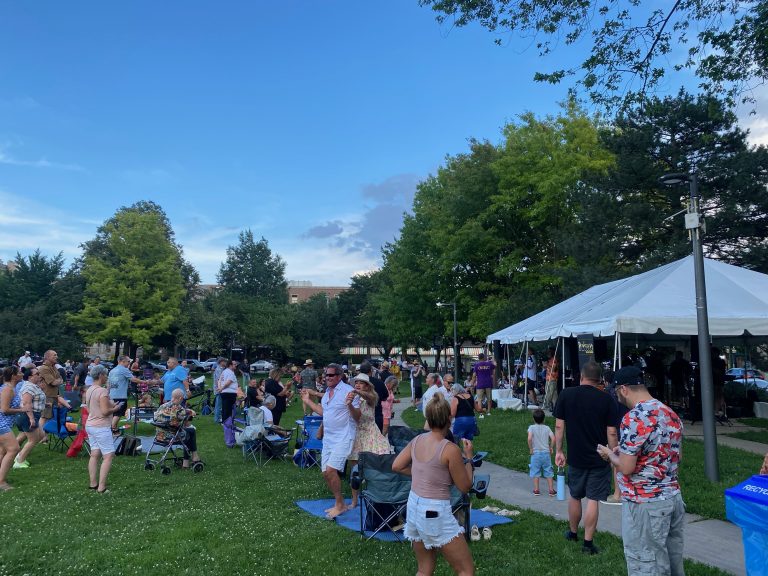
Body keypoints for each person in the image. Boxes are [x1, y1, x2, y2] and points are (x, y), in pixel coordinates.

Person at [597, 366, 685, 576]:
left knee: (646, 564)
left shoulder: (634, 417)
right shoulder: (670, 413)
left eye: (616, 391)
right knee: (672, 563)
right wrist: (625, 451)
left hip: (644, 503)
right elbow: (675, 455)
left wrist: (610, 455)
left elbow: (627, 467)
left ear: (624, 389)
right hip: (672, 498)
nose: (617, 396)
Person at [392, 395, 475, 576]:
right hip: (435, 510)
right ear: (449, 419)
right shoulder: (450, 449)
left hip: (414, 506)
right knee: (465, 570)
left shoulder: (417, 440)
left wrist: (421, 474)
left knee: (424, 569)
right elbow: (465, 486)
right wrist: (469, 458)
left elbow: (397, 465)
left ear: (428, 419)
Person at [555, 360, 619, 554]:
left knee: (575, 495)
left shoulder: (566, 395)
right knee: (593, 499)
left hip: (575, 456)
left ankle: (573, 533)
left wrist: (559, 451)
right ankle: (588, 543)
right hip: (599, 457)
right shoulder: (607, 399)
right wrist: (613, 453)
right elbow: (612, 432)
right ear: (600, 380)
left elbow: (559, 426)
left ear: (581, 377)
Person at [300, 363, 358, 519]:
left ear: (339, 376)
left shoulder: (348, 392)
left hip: (344, 437)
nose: (327, 378)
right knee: (326, 472)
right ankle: (339, 503)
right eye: (326, 375)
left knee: (331, 470)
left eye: (331, 375)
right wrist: (307, 400)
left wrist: (351, 404)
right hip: (329, 438)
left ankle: (340, 505)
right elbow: (323, 412)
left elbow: (358, 417)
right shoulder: (327, 393)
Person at [346, 373, 392, 508]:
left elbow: (369, 397)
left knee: (376, 467)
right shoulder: (355, 399)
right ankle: (354, 501)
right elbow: (356, 417)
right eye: (356, 383)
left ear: (367, 385)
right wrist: (349, 405)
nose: (357, 385)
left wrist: (357, 392)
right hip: (358, 434)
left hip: (372, 434)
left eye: (360, 382)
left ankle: (377, 497)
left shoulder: (372, 396)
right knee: (355, 470)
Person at [85, 365, 123, 493]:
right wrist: (115, 409)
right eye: (106, 374)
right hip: (101, 427)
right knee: (108, 456)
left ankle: (93, 484)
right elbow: (105, 411)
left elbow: (91, 407)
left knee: (95, 454)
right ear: (101, 375)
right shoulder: (102, 392)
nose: (107, 377)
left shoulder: (90, 389)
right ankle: (101, 487)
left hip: (90, 425)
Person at [154, 388, 202, 469]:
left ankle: (189, 460)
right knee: (191, 431)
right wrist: (191, 413)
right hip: (171, 437)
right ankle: (192, 458)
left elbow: (155, 419)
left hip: (159, 436)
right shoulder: (179, 409)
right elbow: (187, 423)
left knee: (188, 431)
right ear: (180, 398)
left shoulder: (162, 406)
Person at [13, 367, 47, 469]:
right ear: (30, 377)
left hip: (30, 415)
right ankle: (19, 461)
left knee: (35, 435)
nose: (39, 375)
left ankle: (12, 453)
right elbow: (26, 403)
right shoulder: (29, 387)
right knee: (33, 439)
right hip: (28, 415)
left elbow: (34, 400)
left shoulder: (33, 386)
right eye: (37, 374)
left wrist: (46, 404)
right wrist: (31, 419)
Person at [0, 366, 25, 491]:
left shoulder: (11, 388)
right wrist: (22, 410)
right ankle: (1, 482)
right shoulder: (7, 389)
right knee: (14, 448)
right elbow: (4, 409)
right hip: (1, 424)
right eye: (19, 372)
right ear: (14, 376)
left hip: (4, 424)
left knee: (3, 451)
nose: (22, 374)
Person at [108, 355, 144, 433]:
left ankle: (111, 429)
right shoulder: (124, 370)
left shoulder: (112, 371)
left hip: (112, 395)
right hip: (120, 395)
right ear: (122, 361)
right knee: (118, 413)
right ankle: (113, 429)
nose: (129, 363)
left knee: (113, 413)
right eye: (128, 361)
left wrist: (107, 394)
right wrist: (144, 382)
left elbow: (109, 384)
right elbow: (133, 379)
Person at [38, 350, 71, 431]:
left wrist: (58, 381)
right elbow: (53, 382)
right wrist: (58, 381)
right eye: (54, 355)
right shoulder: (44, 368)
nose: (57, 357)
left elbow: (60, 379)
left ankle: (43, 436)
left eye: (56, 355)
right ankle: (39, 435)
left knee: (50, 416)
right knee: (44, 417)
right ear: (47, 357)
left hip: (54, 396)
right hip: (47, 396)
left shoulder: (53, 367)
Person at [528, 408, 556, 497]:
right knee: (548, 471)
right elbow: (553, 438)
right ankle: (551, 490)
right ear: (544, 419)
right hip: (546, 453)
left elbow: (529, 438)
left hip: (535, 454)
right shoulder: (547, 428)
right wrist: (551, 447)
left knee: (536, 471)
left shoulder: (531, 428)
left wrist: (531, 448)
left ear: (533, 419)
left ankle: (536, 490)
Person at [358, 361, 388, 433]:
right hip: (376, 415)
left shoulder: (356, 383)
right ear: (371, 371)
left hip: (361, 416)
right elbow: (385, 396)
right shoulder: (379, 382)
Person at [216, 359, 239, 448]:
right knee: (229, 416)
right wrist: (222, 388)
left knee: (227, 414)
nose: (236, 365)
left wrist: (220, 389)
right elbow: (229, 382)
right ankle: (229, 441)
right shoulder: (230, 372)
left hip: (225, 393)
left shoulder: (224, 372)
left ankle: (230, 439)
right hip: (229, 394)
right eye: (234, 364)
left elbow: (218, 381)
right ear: (230, 365)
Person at [471, 353, 495, 418]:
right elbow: (495, 365)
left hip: (480, 384)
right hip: (488, 383)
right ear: (484, 357)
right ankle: (489, 412)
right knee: (489, 398)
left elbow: (474, 375)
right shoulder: (489, 364)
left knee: (480, 399)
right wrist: (493, 359)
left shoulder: (476, 365)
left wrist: (472, 384)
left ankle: (481, 413)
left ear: (478, 358)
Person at [544, 347, 560, 412]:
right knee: (549, 393)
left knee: (552, 394)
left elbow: (553, 369)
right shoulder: (550, 360)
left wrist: (547, 366)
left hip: (552, 379)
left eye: (549, 352)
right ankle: (553, 407)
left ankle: (553, 407)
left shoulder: (554, 360)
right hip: (548, 378)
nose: (548, 354)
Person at [212, 357, 226, 423]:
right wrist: (220, 389)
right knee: (218, 404)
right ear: (221, 362)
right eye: (224, 361)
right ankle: (217, 419)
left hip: (221, 389)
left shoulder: (222, 369)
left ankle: (219, 418)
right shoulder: (218, 369)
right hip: (219, 389)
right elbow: (219, 380)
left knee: (220, 404)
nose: (225, 363)